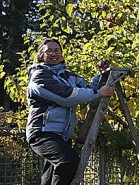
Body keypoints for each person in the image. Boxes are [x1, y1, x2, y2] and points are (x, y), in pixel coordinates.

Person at [26, 38, 115, 185]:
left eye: (57, 51)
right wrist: (99, 93)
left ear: (61, 54)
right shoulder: (39, 76)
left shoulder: (69, 77)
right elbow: (67, 96)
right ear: (41, 55)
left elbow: (87, 89)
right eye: (49, 51)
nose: (54, 54)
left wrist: (101, 76)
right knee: (68, 162)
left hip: (62, 136)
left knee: (50, 176)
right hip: (42, 133)